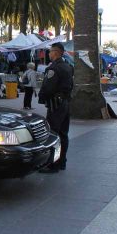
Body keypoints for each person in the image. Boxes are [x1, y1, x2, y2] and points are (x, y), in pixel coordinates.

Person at [38, 42, 74, 172]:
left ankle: (53, 164)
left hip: (55, 104)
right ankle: (62, 162)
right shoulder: (68, 66)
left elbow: (48, 87)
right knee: (63, 134)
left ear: (56, 52)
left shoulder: (54, 68)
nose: (49, 53)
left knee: (53, 133)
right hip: (65, 102)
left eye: (50, 51)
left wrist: (42, 98)